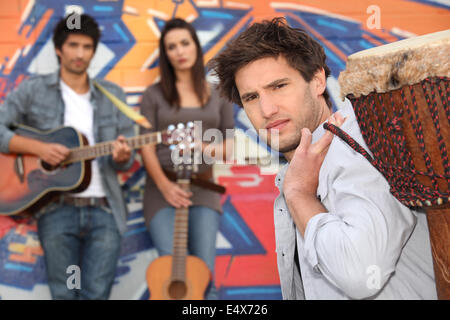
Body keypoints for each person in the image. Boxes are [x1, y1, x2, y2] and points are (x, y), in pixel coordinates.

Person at [208, 17, 437, 299]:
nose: (267, 109)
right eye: (252, 97)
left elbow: (360, 274)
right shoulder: (301, 167)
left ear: (317, 81)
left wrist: (299, 195)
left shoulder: (360, 143)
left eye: (279, 86)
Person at [0, 13, 135, 299]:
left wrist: (123, 156)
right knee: (65, 294)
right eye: (73, 45)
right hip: (56, 209)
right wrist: (38, 149)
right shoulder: (33, 91)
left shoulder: (113, 95)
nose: (80, 54)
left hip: (105, 210)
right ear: (59, 49)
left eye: (87, 47)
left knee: (96, 295)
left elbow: (127, 159)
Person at [140, 18, 234, 300]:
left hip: (204, 190)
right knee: (171, 278)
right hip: (162, 192)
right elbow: (145, 145)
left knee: (204, 278)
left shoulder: (218, 93)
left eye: (184, 43)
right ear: (165, 54)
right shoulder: (153, 95)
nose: (179, 51)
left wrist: (202, 145)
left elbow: (228, 147)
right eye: (171, 47)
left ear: (195, 45)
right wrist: (165, 186)